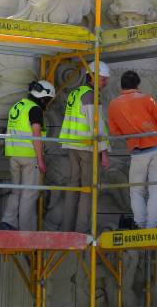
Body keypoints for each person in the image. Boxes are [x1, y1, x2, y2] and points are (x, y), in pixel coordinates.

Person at [108, 70, 157, 229]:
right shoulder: (147, 99)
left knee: (136, 191)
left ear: (121, 86)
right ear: (138, 84)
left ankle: (140, 224)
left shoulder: (113, 105)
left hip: (137, 151)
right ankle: (152, 225)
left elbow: (115, 133)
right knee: (155, 190)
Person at [59, 61, 111, 233]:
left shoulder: (76, 93)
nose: (105, 83)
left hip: (72, 145)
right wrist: (104, 153)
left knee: (74, 185)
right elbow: (97, 128)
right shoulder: (91, 96)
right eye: (103, 79)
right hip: (86, 147)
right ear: (94, 76)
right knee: (87, 189)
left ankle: (67, 228)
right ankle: (81, 231)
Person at [1, 80, 55, 231]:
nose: (48, 104)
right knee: (30, 192)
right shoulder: (35, 109)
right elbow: (36, 134)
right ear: (43, 97)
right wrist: (40, 159)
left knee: (16, 190)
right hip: (29, 155)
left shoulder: (18, 106)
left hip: (13, 154)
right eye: (48, 100)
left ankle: (8, 221)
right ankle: (26, 230)